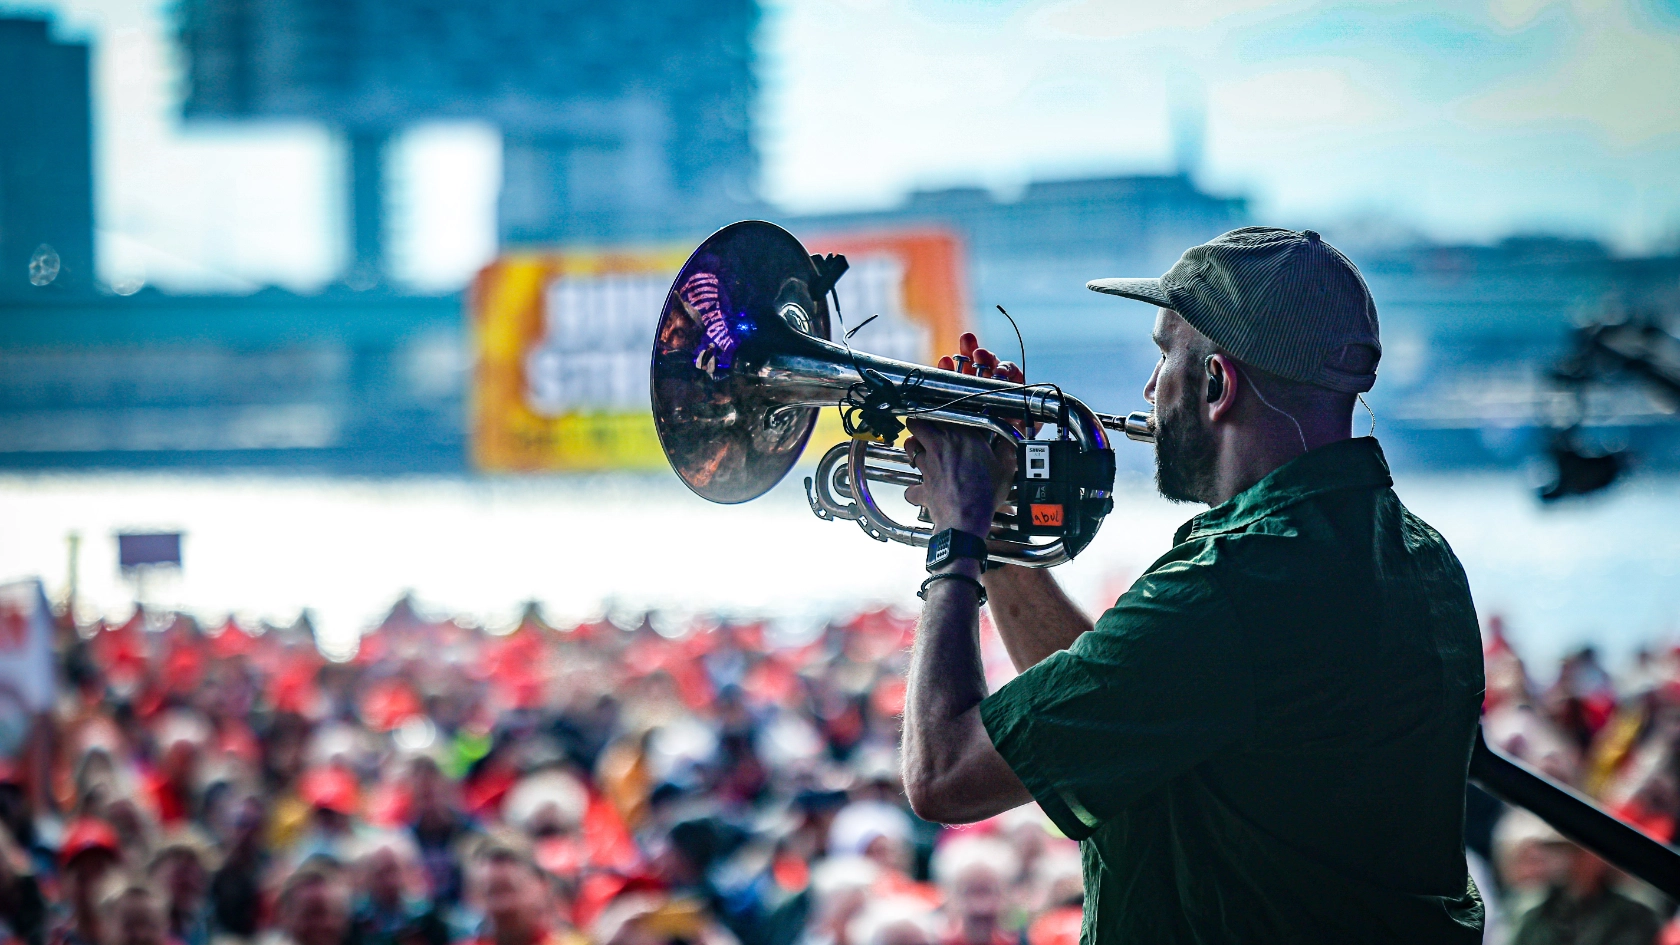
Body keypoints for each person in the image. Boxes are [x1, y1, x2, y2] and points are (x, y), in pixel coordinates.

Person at [898, 227, 1486, 941]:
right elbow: (1126, 703)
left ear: (1216, 383)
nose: (1150, 389)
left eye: (1163, 355)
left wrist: (953, 539)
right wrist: (997, 537)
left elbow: (944, 774)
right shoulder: (1421, 556)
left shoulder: (1232, 589)